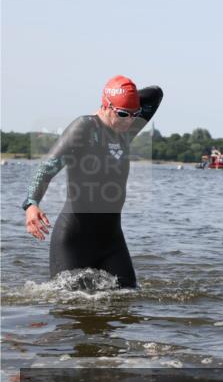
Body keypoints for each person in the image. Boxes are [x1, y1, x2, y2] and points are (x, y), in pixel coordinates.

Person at [22, 76, 163, 288]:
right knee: (70, 310)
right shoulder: (84, 128)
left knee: (128, 304)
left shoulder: (127, 130)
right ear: (105, 106)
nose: (129, 120)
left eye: (135, 115)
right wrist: (31, 204)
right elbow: (46, 168)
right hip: (74, 240)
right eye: (123, 114)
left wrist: (127, 95)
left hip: (112, 241)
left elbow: (155, 94)